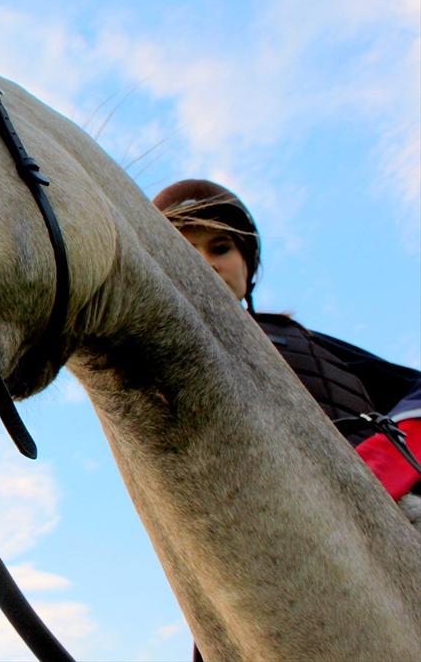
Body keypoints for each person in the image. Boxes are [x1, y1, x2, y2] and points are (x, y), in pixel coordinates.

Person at [152, 179, 421, 502]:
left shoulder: (299, 338)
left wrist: (394, 454)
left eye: (221, 248)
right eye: (184, 250)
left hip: (388, 506)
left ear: (246, 264)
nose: (206, 262)